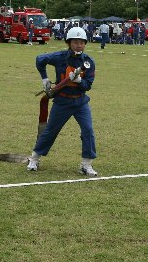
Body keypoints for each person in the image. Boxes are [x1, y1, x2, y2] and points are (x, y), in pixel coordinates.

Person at [27, 27, 98, 176]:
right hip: (62, 101)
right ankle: (34, 158)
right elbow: (40, 59)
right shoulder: (59, 57)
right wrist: (44, 78)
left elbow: (88, 86)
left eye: (82, 42)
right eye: (75, 42)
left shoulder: (88, 62)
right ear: (69, 43)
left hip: (80, 102)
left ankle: (86, 164)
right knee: (50, 131)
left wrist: (79, 81)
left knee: (88, 130)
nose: (79, 45)